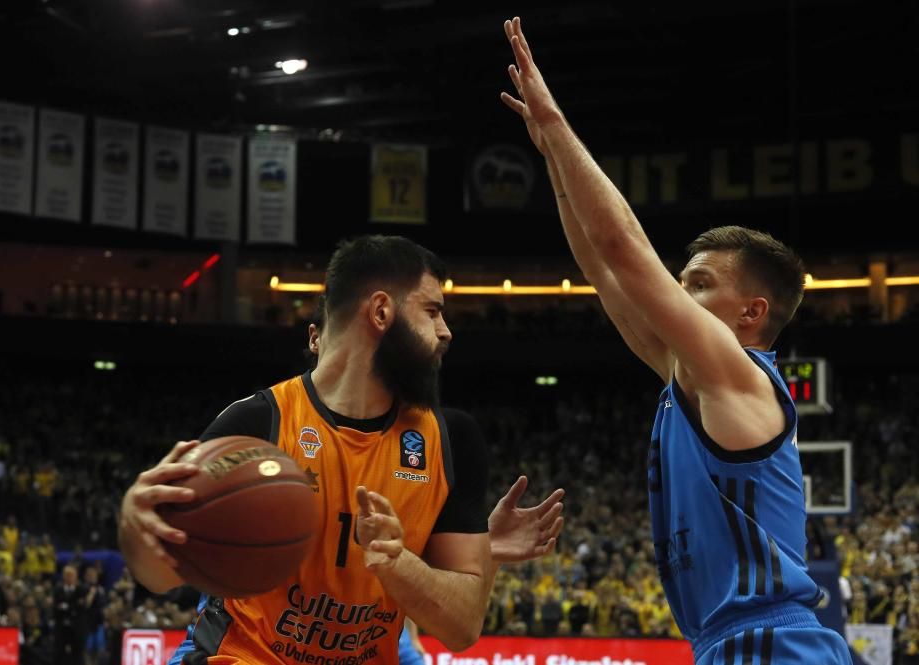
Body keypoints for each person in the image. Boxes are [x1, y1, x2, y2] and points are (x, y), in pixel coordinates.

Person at [500, 16, 852, 664]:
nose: (678, 295)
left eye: (698, 284)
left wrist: (557, 126)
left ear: (752, 311)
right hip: (726, 642)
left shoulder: (739, 372)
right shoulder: (685, 374)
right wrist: (553, 163)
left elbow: (624, 249)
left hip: (775, 643)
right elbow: (602, 269)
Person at [120, 235, 563, 665]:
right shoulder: (257, 423)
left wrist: (399, 563)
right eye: (432, 311)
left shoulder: (452, 441)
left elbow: (463, 628)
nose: (445, 332)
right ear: (382, 311)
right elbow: (160, 575)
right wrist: (137, 527)